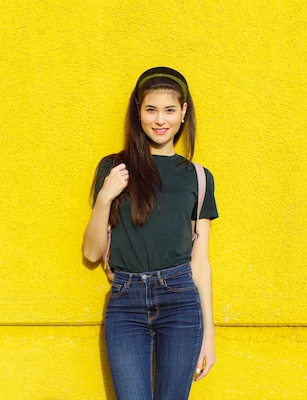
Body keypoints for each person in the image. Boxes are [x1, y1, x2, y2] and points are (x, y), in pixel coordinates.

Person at [83, 66, 219, 400]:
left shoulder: (198, 178)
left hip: (180, 300)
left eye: (170, 110)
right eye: (151, 109)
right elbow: (91, 252)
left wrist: (210, 334)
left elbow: (200, 263)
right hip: (125, 302)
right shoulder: (113, 168)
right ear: (138, 112)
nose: (161, 120)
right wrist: (105, 196)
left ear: (183, 112)